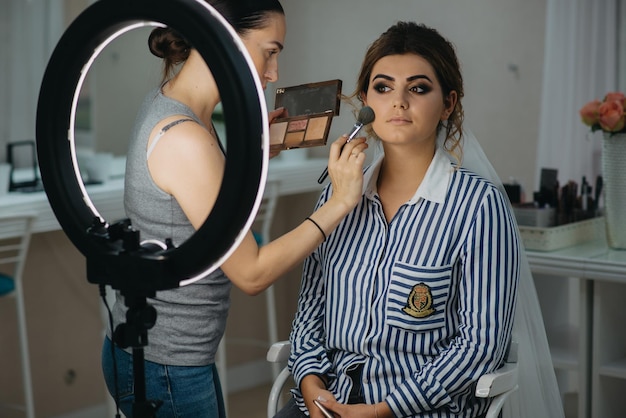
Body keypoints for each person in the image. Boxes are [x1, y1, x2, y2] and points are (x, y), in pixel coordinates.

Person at [279, 21, 564, 418]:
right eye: (382, 87)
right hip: (327, 404)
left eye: (417, 88)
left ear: (448, 103)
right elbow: (311, 308)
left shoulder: (479, 206)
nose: (398, 102)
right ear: (365, 101)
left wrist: (383, 410)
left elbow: (480, 346)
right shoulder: (337, 194)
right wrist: (311, 386)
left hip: (422, 410)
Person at [100, 1, 368, 417]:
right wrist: (341, 202)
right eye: (270, 51)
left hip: (165, 356)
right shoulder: (186, 137)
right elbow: (251, 272)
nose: (274, 72)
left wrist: (259, 151)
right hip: (168, 365)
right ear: (224, 38)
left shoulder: (176, 108)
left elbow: (199, 200)